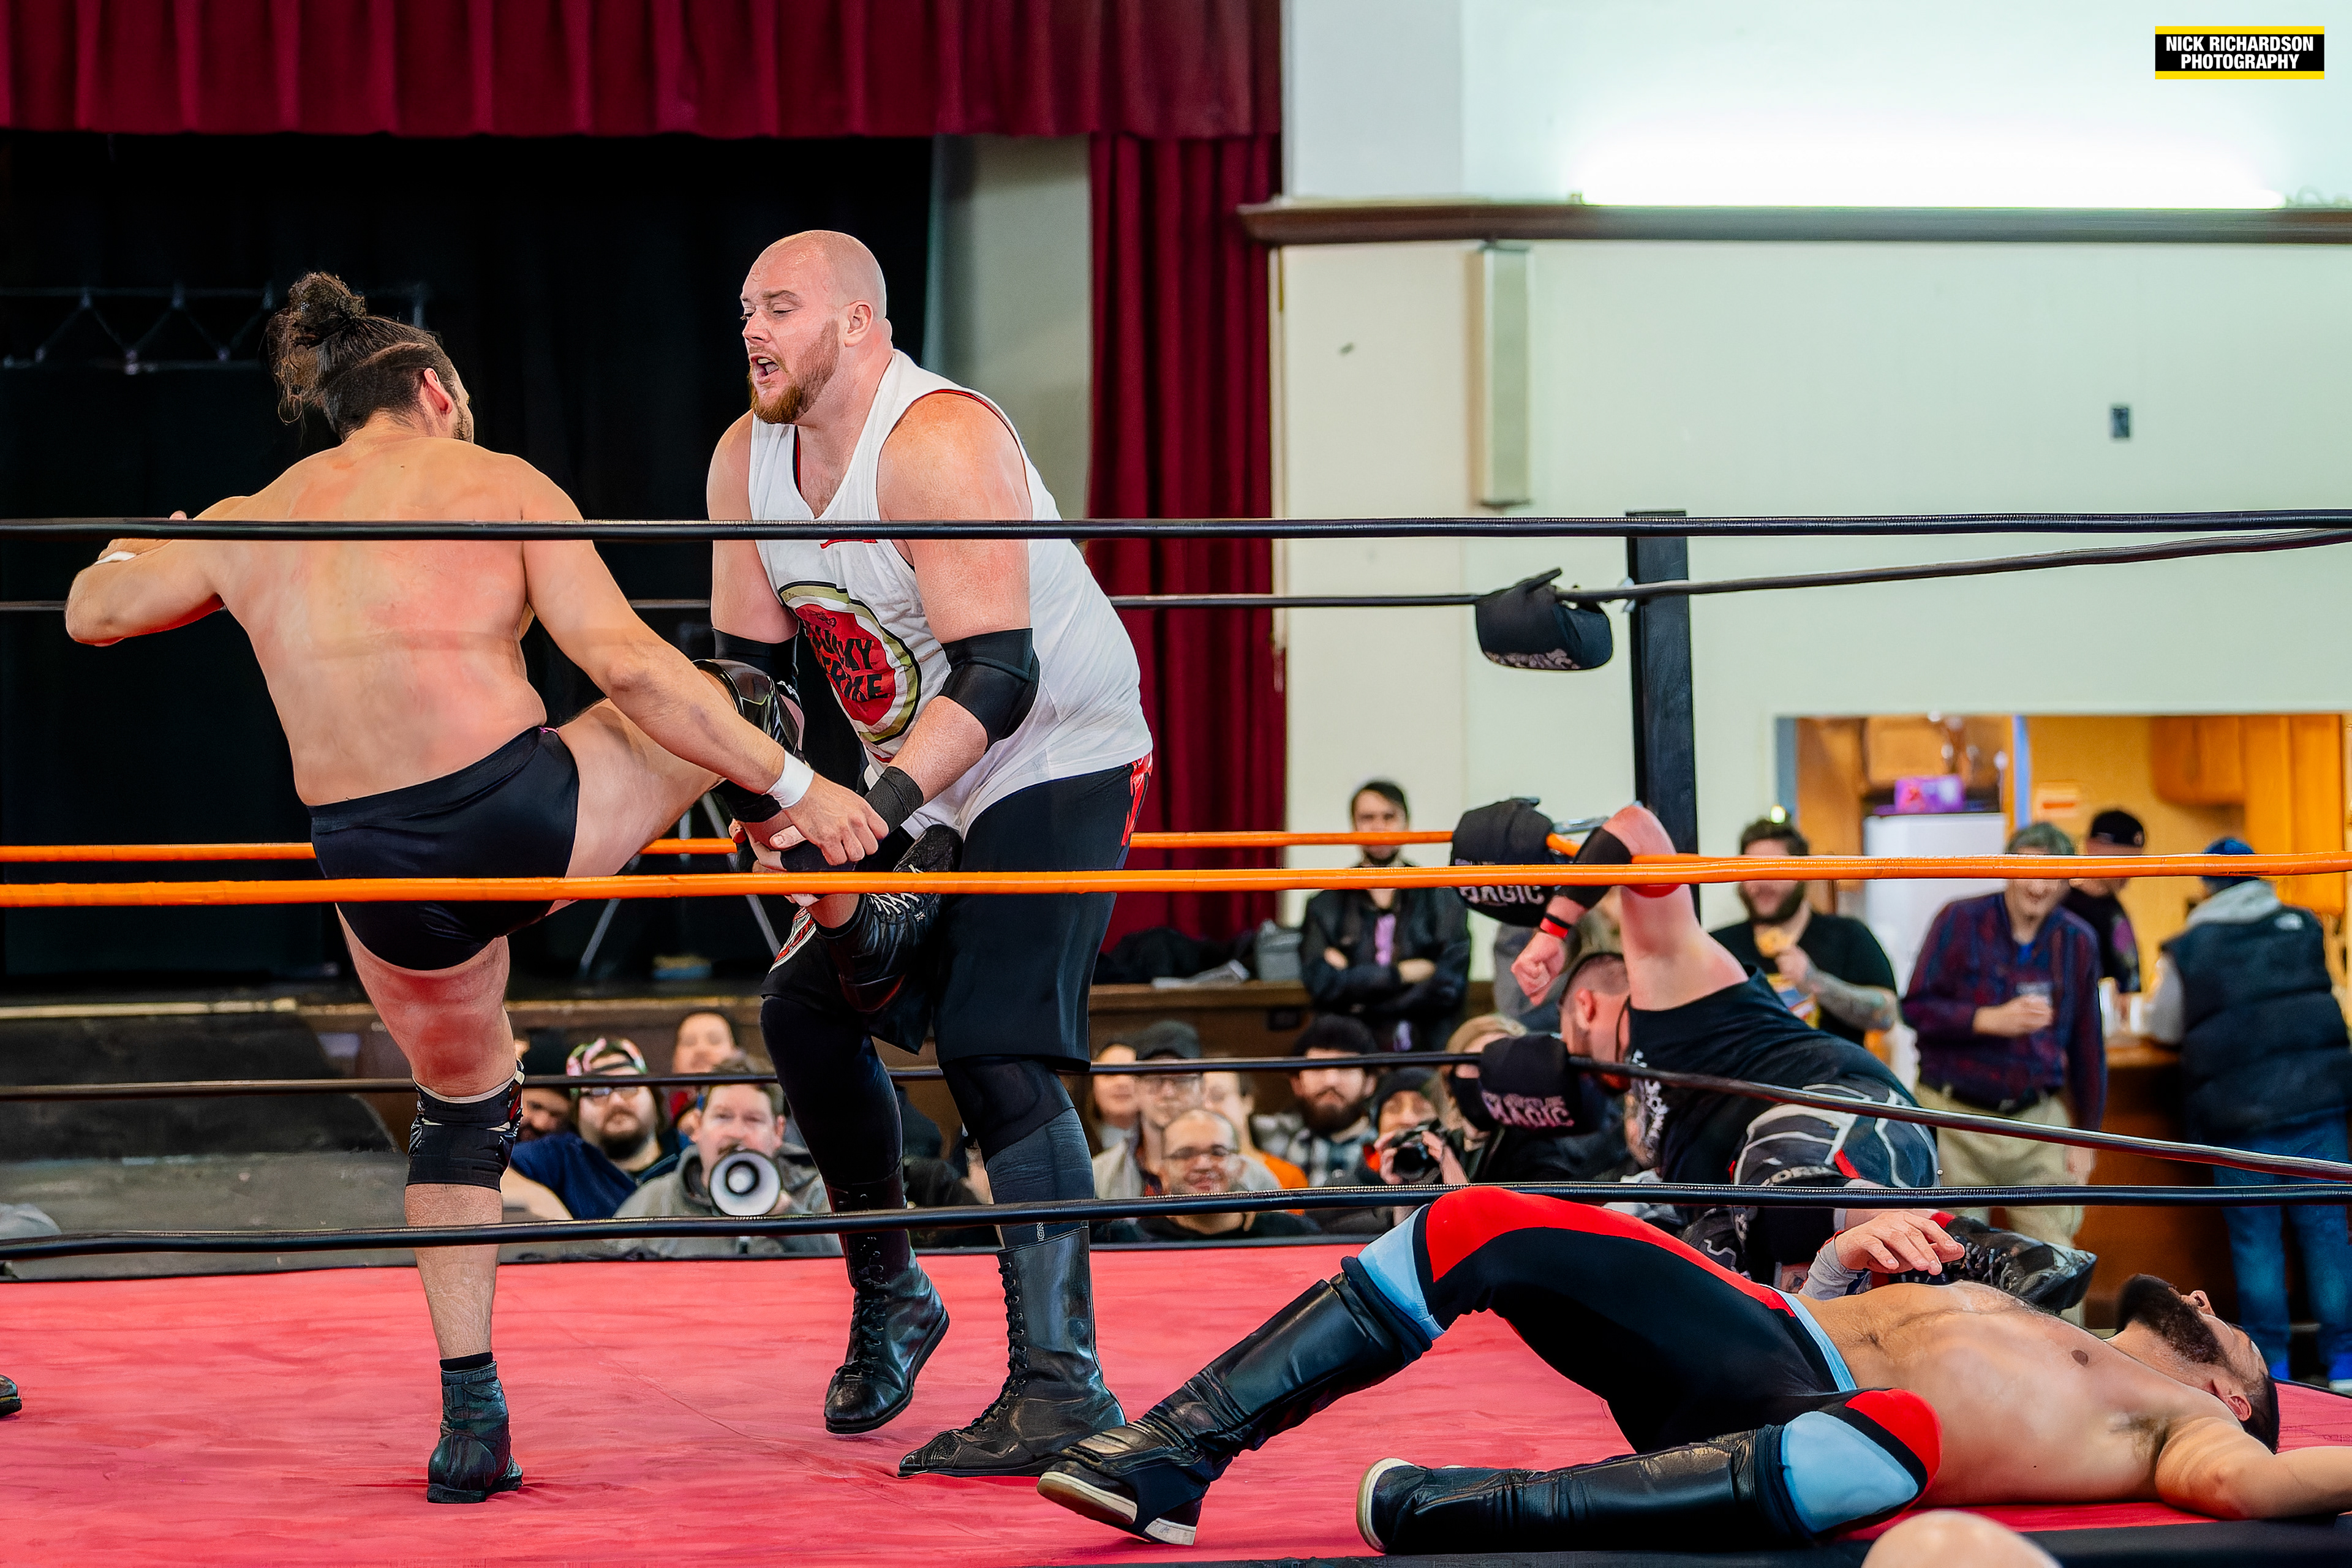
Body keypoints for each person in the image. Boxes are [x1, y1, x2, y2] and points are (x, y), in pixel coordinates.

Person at [60, 274, 853, 1506]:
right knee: (736, 703)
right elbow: (630, 668)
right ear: (435, 391)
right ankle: (838, 911)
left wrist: (140, 539)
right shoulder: (501, 481)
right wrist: (795, 782)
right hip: (519, 820)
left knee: (462, 1108)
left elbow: (92, 611)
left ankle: (470, 1414)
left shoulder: (250, 518)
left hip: (369, 862)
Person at [707, 230, 1152, 1476]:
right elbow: (750, 675)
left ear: (858, 322)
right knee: (802, 1009)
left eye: (780, 307)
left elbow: (1000, 674)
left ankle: (1061, 1385)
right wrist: (769, 808)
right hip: (925, 764)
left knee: (996, 1041)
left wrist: (869, 809)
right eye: (745, 310)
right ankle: (894, 1291)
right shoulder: (746, 457)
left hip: (1055, 748)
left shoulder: (938, 439)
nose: (753, 331)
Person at [1035, 1187, 2316, 1552]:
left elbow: (2265, 1486)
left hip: (1820, 1435)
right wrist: (1840, 1263)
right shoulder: (2034, 1299)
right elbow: (1836, 1321)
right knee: (1476, 1219)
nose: (2208, 1300)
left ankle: (1459, 1511)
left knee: (1896, 1438)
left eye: (2234, 1333)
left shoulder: (2184, 1431)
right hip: (1768, 1334)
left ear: (2233, 1396)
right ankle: (1172, 1453)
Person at [1460, 802, 2084, 1306]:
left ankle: (1993, 1250)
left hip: (1840, 1116)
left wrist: (1552, 929)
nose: (1586, 1069)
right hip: (1805, 1194)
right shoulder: (1652, 1117)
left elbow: (1638, 828)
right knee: (1707, 1250)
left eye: (1573, 1045)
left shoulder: (1666, 982)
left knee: (1771, 1180)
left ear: (1586, 1006)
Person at [2146, 837, 2352, 1391]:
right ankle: (2345, 1366)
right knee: (2327, 1234)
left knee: (2256, 1242)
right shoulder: (2304, 925)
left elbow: (2164, 1026)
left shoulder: (2191, 946)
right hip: (2318, 1102)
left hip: (2238, 1115)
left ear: (2207, 885)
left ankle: (2273, 1372)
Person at [1902, 822, 2105, 1253]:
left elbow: (2088, 1045)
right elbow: (1915, 1008)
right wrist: (1987, 1019)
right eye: (2027, 871)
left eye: (2052, 875)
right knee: (1952, 1257)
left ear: (2068, 881)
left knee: (2054, 1260)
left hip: (2037, 1122)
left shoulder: (2078, 940)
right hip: (1955, 1120)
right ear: (2006, 870)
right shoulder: (1959, 919)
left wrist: (2088, 1136)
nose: (2037, 886)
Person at [607, 1054, 840, 1259]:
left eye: (753, 1120)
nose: (736, 1133)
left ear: (778, 1132)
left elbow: (849, 1269)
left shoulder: (815, 1193)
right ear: (698, 1126)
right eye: (723, 1117)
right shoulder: (657, 1200)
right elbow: (603, 1264)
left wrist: (788, 1217)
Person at [1300, 782, 1471, 1052]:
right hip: (1350, 1055)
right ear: (1353, 826)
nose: (1378, 827)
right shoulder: (1324, 904)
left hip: (1427, 1051)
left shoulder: (1442, 897)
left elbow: (1448, 986)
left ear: (1406, 824)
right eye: (1367, 818)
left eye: (1389, 817)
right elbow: (1322, 984)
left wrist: (1359, 993)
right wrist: (1402, 974)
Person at [1708, 816, 1898, 1046]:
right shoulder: (1716, 946)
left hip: (1831, 1068)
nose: (1762, 881)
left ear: (1802, 873)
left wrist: (1815, 982)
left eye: (1774, 869)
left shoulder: (1848, 935)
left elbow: (1887, 1016)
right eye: (1750, 869)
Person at [504, 1039, 683, 1221]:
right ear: (577, 1113)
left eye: (629, 1085)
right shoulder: (563, 1156)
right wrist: (550, 1208)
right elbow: (496, 1169)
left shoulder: (687, 1152)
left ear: (654, 1096)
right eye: (598, 1091)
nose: (616, 1101)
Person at [1099, 1110, 1317, 1244]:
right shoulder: (1137, 1242)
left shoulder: (1290, 1235)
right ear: (1163, 1174)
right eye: (1186, 1154)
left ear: (1241, 1166)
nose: (1203, 1165)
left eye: (1218, 1152)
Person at [1253, 1016, 1381, 1186]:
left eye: (1346, 1067)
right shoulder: (1265, 1135)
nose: (1331, 1081)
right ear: (1297, 1082)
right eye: (1318, 1067)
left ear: (1370, 1082)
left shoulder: (1383, 1144)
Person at [2063, 809, 2145, 996]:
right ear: (2092, 847)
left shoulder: (2115, 909)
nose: (2129, 872)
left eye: (2136, 863)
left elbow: (2130, 973)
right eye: (2123, 860)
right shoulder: (2063, 905)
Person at [1200, 1070, 1306, 1189]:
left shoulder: (1286, 1176)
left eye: (1218, 1096)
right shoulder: (1193, 1178)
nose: (1207, 1107)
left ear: (1248, 1101)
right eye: (1200, 1100)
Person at [668, 1010, 741, 1136]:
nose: (701, 1049)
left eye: (714, 1041)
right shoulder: (659, 1113)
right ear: (674, 1058)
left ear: (738, 1054)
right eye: (689, 1042)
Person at [1087, 1042, 1142, 1155]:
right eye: (1110, 1073)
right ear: (1092, 1086)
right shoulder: (1075, 1141)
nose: (1122, 1082)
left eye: (1133, 1073)